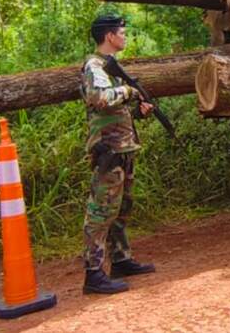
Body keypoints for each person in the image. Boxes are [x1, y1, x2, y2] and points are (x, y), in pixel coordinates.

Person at [81, 15, 156, 294]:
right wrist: (128, 90)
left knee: (121, 210)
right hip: (109, 153)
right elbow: (101, 99)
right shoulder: (95, 67)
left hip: (123, 149)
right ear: (109, 36)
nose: (125, 36)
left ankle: (121, 259)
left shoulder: (111, 69)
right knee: (101, 213)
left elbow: (114, 111)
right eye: (122, 32)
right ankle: (94, 274)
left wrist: (138, 111)